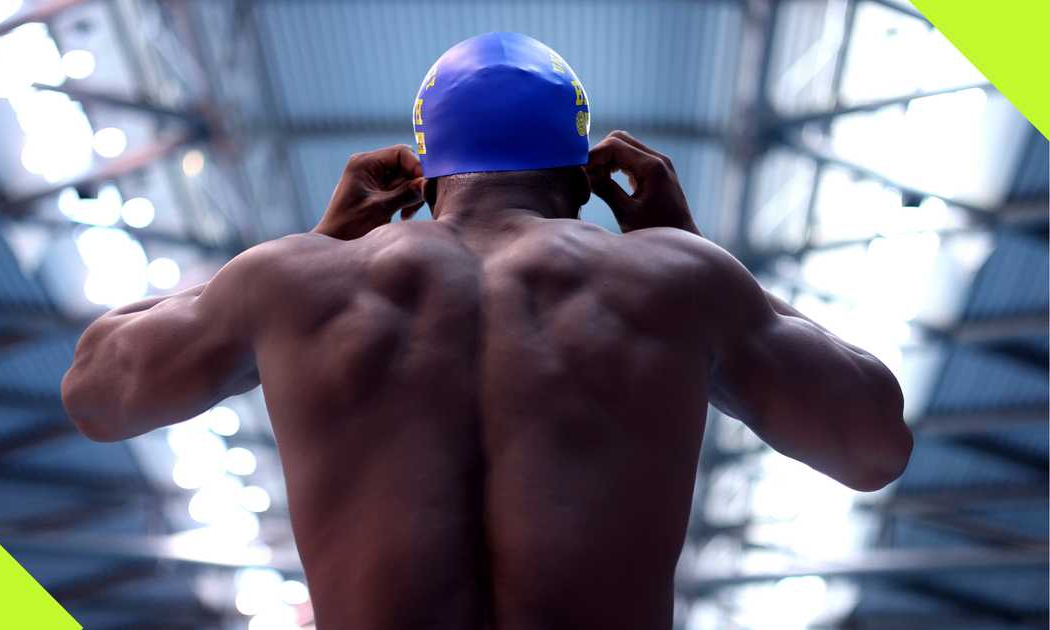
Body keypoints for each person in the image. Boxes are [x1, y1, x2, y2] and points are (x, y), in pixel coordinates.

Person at [63, 33, 911, 630]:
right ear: (585, 176)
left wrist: (315, 248)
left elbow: (97, 392)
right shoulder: (677, 281)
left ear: (427, 174)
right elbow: (873, 442)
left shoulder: (293, 282)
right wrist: (685, 246)